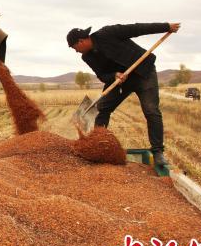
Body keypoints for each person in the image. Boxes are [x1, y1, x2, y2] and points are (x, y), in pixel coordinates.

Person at [67, 22, 181, 166]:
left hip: (143, 73)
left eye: (74, 48)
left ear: (81, 41)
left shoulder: (108, 33)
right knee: (102, 108)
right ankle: (97, 145)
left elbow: (137, 29)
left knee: (151, 110)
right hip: (120, 81)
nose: (76, 51)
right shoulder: (87, 57)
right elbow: (102, 75)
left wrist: (166, 27)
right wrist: (114, 75)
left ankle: (158, 152)